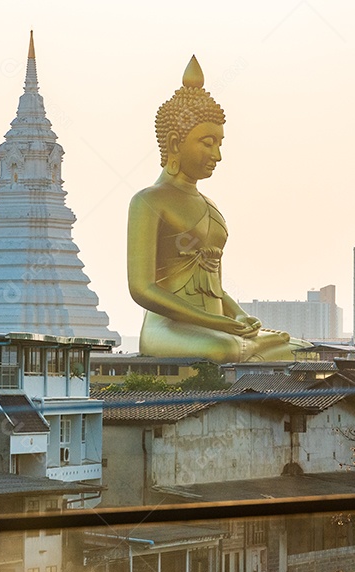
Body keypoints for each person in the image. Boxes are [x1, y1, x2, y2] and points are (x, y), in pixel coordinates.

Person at [127, 56, 310, 363]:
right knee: (224, 349)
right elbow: (142, 289)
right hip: (170, 329)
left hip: (219, 328)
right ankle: (248, 349)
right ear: (174, 143)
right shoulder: (149, 201)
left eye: (220, 143)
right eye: (208, 143)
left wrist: (240, 317)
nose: (218, 155)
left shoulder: (210, 206)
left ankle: (249, 347)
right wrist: (217, 324)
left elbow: (215, 287)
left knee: (303, 350)